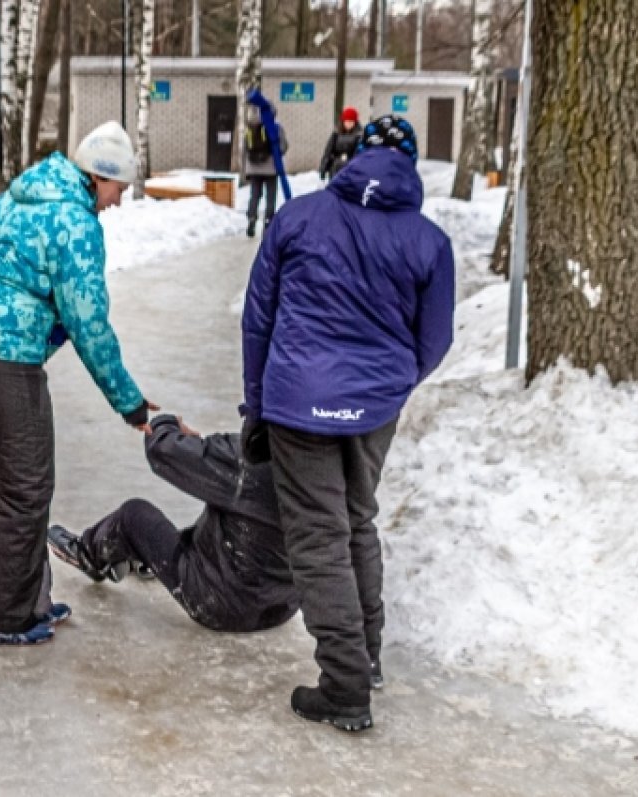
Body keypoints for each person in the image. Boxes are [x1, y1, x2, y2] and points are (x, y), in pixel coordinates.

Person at [240, 115, 454, 732]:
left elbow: (258, 321)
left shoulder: (298, 218)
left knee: (317, 537)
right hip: (376, 406)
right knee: (356, 521)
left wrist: (259, 402)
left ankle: (344, 683)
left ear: (355, 156)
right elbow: (434, 340)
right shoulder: (428, 242)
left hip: (297, 399)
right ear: (409, 164)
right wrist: (390, 384)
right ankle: (370, 656)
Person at [0, 121, 155, 646]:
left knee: (11, 488)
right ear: (99, 177)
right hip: (1, 361)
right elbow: (89, 325)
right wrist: (133, 405)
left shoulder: (24, 195)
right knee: (26, 491)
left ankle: (27, 601)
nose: (118, 202)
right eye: (119, 189)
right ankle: (1, 617)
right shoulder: (75, 222)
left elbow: (8, 280)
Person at [47, 414, 303, 635]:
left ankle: (88, 554)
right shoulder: (325, 468)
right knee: (241, 518)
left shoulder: (246, 461)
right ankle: (151, 559)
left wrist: (167, 424)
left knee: (133, 515)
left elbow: (163, 449)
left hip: (220, 604)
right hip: (282, 607)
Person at [242, 104, 289, 239]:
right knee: (270, 196)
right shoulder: (276, 128)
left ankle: (251, 219)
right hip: (270, 168)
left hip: (254, 168)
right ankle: (268, 222)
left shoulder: (251, 127)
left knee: (255, 195)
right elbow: (284, 146)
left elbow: (245, 148)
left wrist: (247, 169)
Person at [318, 106, 363, 181]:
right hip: (335, 167)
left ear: (355, 122)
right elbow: (328, 151)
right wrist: (323, 168)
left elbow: (359, 153)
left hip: (350, 167)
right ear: (343, 121)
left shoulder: (359, 135)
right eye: (347, 121)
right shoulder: (336, 133)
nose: (348, 124)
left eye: (351, 121)